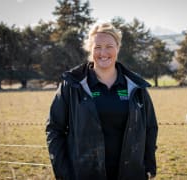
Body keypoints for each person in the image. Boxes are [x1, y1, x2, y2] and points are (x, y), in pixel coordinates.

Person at [46, 22, 158, 180]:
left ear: (118, 48)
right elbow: (54, 129)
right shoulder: (72, 85)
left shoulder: (135, 86)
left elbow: (150, 127)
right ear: (90, 49)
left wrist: (149, 167)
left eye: (109, 46)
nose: (103, 52)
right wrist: (64, 174)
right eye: (97, 47)